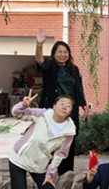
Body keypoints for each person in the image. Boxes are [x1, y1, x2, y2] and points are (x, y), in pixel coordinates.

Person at [9, 90, 76, 189]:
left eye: (68, 106)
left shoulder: (69, 131)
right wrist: (23, 105)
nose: (64, 107)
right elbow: (17, 114)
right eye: (61, 104)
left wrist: (50, 173)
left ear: (71, 111)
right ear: (54, 106)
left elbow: (61, 154)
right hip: (19, 157)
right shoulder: (42, 114)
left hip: (39, 163)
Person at [35, 29, 90, 176]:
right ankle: (48, 171)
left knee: (68, 139)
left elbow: (79, 89)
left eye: (65, 52)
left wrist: (84, 107)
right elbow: (40, 60)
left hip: (70, 110)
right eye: (59, 52)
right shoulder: (49, 67)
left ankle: (66, 173)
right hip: (53, 109)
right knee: (51, 138)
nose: (62, 55)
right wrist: (39, 45)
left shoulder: (73, 69)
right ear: (54, 54)